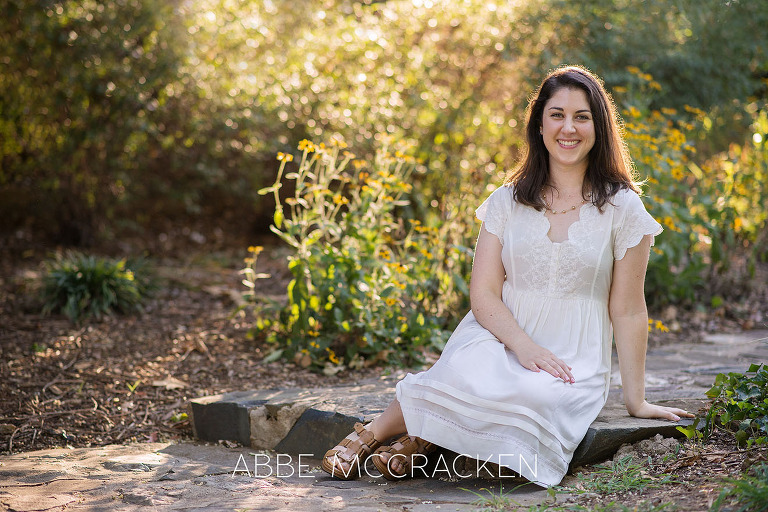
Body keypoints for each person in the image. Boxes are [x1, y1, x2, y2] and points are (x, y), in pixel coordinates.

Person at [320, 65, 694, 487]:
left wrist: (636, 399)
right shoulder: (507, 201)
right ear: (538, 124)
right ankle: (372, 435)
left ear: (600, 127)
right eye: (557, 114)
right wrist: (522, 345)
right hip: (500, 331)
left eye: (582, 116)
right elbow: (483, 293)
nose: (568, 128)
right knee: (466, 368)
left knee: (535, 395)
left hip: (573, 353)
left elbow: (627, 309)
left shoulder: (624, 209)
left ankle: (423, 442)